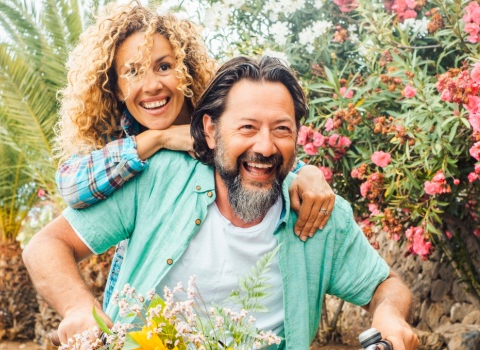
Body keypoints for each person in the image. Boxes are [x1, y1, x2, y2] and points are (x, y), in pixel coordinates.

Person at [24, 56, 418, 349]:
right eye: (247, 127)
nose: (265, 146)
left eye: (281, 129)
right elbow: (47, 245)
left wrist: (388, 313)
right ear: (211, 131)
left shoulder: (318, 214)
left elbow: (386, 286)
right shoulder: (159, 179)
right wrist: (79, 309)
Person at [53, 2, 335, 307]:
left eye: (164, 66)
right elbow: (71, 185)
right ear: (118, 88)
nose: (151, 85)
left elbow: (264, 153)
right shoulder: (120, 137)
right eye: (132, 72)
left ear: (184, 69)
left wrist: (305, 172)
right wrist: (156, 139)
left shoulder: (223, 114)